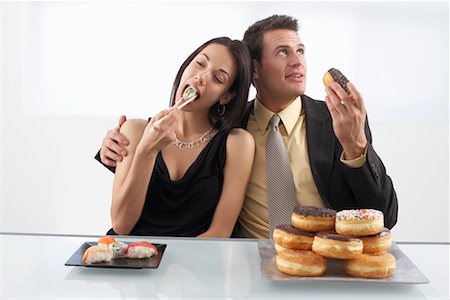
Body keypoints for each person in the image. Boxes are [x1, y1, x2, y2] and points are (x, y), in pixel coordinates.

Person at [97, 15, 398, 239]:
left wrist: (356, 146)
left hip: (324, 259)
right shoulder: (231, 127)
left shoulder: (340, 120)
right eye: (283, 52)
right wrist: (113, 146)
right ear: (254, 70)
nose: (298, 62)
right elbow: (172, 168)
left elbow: (385, 216)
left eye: (301, 51)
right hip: (249, 265)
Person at [103, 37, 255, 237]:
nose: (201, 77)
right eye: (200, 64)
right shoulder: (134, 130)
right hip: (132, 259)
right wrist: (147, 150)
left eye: (218, 78)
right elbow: (122, 225)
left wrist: (171, 266)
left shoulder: (237, 143)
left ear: (225, 96)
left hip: (196, 263)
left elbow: (219, 233)